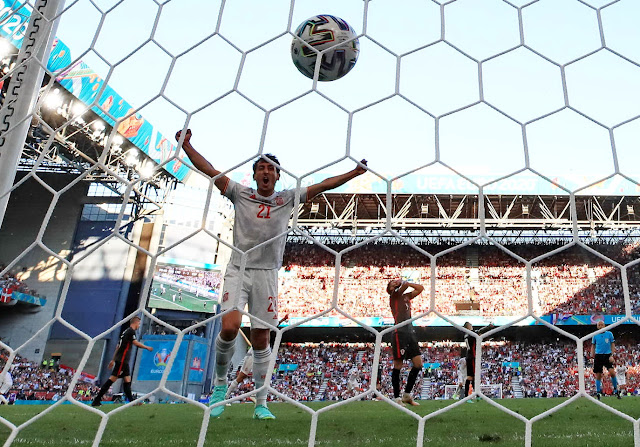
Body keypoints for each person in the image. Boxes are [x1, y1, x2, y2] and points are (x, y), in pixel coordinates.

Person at [176, 128, 367, 420]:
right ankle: (219, 385)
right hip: (239, 268)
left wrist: (353, 173)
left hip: (267, 274)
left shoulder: (287, 199)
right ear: (254, 176)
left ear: (278, 176)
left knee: (261, 340)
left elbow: (323, 185)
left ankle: (261, 403)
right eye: (261, 168)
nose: (266, 172)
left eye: (271, 169)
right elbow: (209, 170)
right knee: (229, 326)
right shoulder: (240, 193)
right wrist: (187, 146)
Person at [91, 316, 153, 407]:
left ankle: (132, 402)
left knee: (127, 380)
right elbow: (135, 343)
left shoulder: (125, 332)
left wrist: (113, 359)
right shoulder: (131, 331)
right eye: (139, 323)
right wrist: (146, 347)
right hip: (122, 360)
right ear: (135, 323)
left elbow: (118, 346)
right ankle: (96, 400)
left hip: (123, 360)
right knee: (112, 379)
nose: (139, 325)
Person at [226, 315, 289, 401]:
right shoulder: (260, 330)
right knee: (241, 377)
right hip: (253, 353)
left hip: (262, 354)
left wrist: (283, 319)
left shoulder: (266, 330)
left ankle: (256, 396)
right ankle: (226, 395)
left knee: (264, 376)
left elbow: (274, 326)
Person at [387, 278, 424, 406]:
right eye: (392, 282)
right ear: (390, 288)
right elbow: (404, 285)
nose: (394, 282)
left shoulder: (405, 296)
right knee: (398, 365)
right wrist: (403, 282)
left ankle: (407, 394)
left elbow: (420, 288)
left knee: (418, 364)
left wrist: (407, 283)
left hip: (410, 332)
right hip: (399, 332)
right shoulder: (394, 295)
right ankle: (397, 397)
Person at [462, 321, 494, 400]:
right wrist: (489, 327)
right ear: (468, 327)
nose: (472, 326)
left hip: (469, 356)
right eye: (470, 325)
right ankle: (468, 396)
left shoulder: (466, 335)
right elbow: (480, 331)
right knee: (471, 377)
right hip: (472, 356)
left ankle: (476, 395)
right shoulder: (471, 334)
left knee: (472, 376)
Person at [591, 320, 620, 399]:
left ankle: (616, 390)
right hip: (598, 356)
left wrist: (612, 355)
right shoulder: (595, 335)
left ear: (604, 326)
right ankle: (598, 392)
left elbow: (612, 344)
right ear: (597, 327)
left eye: (602, 325)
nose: (600, 326)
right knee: (598, 375)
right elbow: (593, 346)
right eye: (599, 325)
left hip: (607, 355)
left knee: (612, 372)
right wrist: (591, 356)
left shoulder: (609, 334)